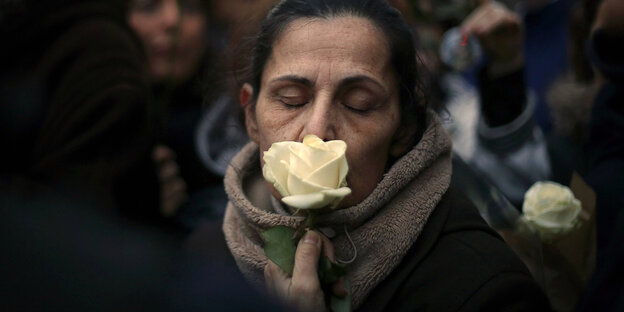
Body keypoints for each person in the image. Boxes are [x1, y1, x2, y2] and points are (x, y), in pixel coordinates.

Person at [214, 0, 551, 311]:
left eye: (358, 103)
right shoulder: (206, 260)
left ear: (404, 128)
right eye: (290, 99)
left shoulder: (485, 289)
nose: (316, 131)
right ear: (251, 116)